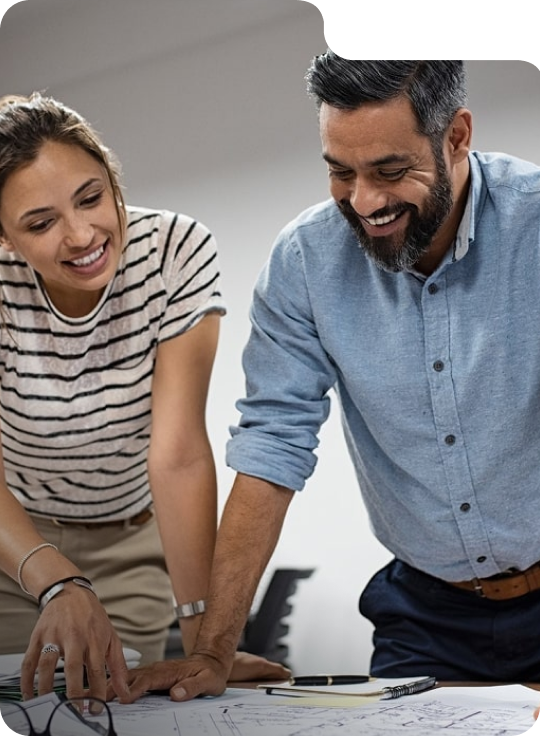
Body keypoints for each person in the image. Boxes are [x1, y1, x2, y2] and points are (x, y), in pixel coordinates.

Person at [115, 56, 540, 708]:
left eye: (390, 172)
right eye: (341, 172)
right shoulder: (305, 262)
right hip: (424, 612)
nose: (365, 202)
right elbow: (271, 446)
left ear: (456, 137)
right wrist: (212, 651)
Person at [0, 92, 290, 702]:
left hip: (130, 543)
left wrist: (207, 644)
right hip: (14, 539)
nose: (82, 235)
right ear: (4, 238)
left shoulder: (174, 250)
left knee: (111, 707)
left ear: (112, 180)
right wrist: (58, 582)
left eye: (91, 198)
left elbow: (177, 452)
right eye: (41, 223)